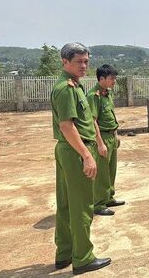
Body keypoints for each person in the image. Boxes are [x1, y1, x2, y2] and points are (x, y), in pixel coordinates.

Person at [51, 42, 111, 274]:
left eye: (86, 61)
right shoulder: (66, 88)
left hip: (68, 150)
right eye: (79, 61)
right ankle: (83, 257)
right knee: (82, 207)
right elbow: (67, 126)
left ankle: (64, 252)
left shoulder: (72, 85)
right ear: (64, 62)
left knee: (66, 205)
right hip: (76, 150)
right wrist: (87, 155)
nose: (84, 66)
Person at [87, 64, 125, 216]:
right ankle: (98, 204)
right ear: (101, 78)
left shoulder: (107, 94)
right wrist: (100, 143)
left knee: (111, 170)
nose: (114, 81)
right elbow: (93, 120)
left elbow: (111, 117)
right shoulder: (93, 96)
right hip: (101, 137)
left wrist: (116, 136)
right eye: (112, 78)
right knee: (102, 173)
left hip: (111, 136)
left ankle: (109, 197)